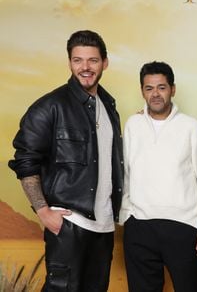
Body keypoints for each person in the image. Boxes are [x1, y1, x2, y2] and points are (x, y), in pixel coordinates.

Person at [8, 30, 123, 291]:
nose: (85, 67)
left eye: (92, 60)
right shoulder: (49, 106)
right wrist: (42, 211)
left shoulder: (109, 107)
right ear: (69, 62)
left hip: (104, 227)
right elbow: (26, 161)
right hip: (69, 225)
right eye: (77, 60)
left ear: (105, 63)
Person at [120, 61, 197, 292]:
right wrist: (127, 217)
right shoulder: (133, 125)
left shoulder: (191, 128)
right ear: (142, 91)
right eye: (149, 88)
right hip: (140, 226)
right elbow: (125, 173)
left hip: (183, 228)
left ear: (172, 89)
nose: (155, 94)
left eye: (161, 87)